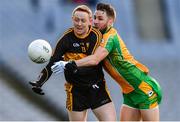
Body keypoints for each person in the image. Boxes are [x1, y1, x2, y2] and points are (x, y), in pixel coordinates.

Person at [51, 3, 162, 121]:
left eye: (100, 19)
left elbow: (95, 59)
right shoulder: (96, 36)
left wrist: (69, 64)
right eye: (94, 18)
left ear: (110, 22)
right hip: (129, 92)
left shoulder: (110, 36)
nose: (95, 22)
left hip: (143, 88)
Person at [29, 5, 116, 121]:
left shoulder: (96, 36)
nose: (79, 24)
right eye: (76, 20)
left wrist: (71, 66)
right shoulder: (66, 39)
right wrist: (40, 81)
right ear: (72, 20)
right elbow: (53, 62)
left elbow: (92, 62)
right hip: (75, 91)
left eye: (83, 20)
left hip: (96, 87)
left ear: (90, 21)